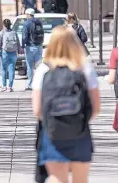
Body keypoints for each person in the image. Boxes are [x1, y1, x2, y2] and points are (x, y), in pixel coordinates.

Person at [32, 26, 100, 183]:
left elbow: (37, 110)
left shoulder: (43, 70)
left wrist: (55, 120)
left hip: (52, 134)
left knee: (57, 178)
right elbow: (96, 108)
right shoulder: (85, 70)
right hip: (80, 133)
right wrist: (77, 119)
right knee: (81, 180)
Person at [22, 8, 44, 91]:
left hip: (30, 47)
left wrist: (22, 45)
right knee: (38, 67)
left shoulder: (27, 23)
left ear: (27, 14)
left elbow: (24, 36)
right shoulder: (39, 22)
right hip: (39, 46)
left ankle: (30, 85)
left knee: (30, 67)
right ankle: (39, 84)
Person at [0, 19, 21, 92]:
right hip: (13, 53)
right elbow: (18, 43)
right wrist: (18, 51)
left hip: (4, 52)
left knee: (3, 69)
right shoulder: (14, 32)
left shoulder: (1, 33)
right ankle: (10, 87)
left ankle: (4, 86)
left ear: (3, 25)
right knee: (11, 70)